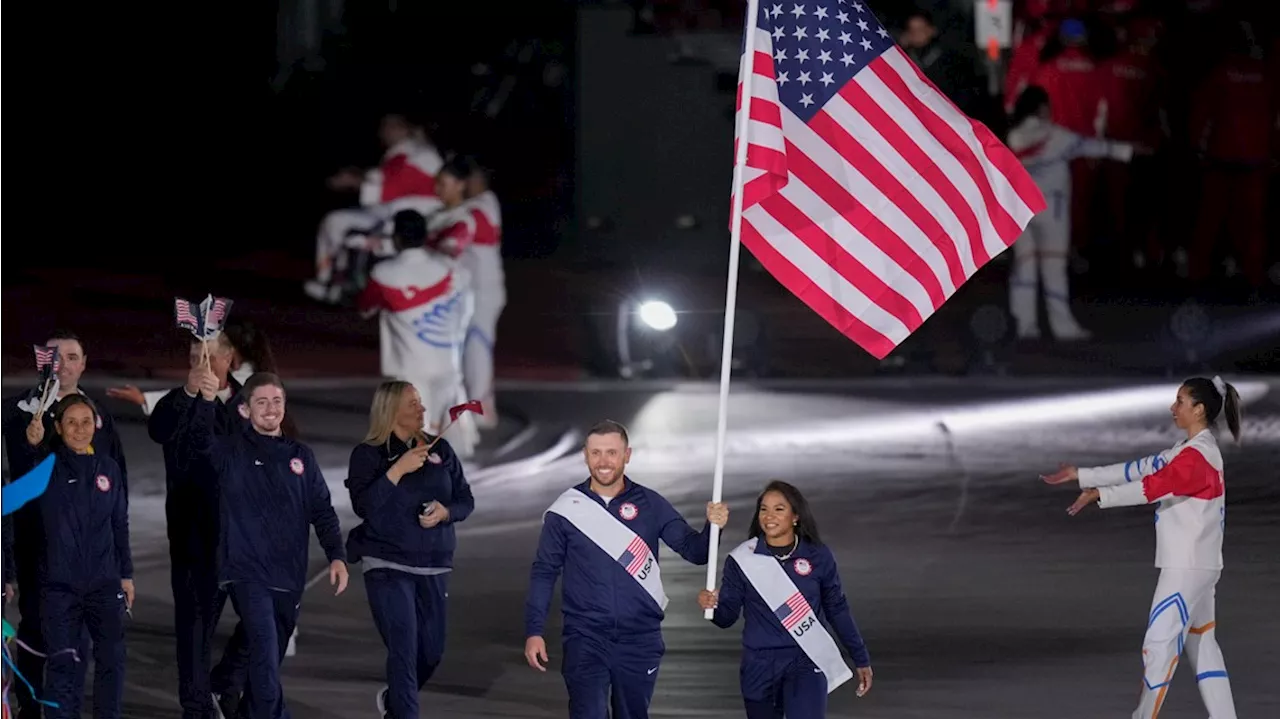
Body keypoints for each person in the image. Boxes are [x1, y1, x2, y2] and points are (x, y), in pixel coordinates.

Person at [1042, 376, 1241, 719]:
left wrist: (1101, 495)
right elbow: (1143, 468)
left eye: (1180, 401)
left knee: (1158, 646)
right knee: (1201, 643)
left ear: (1199, 409)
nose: (1172, 408)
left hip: (1186, 568)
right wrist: (1083, 475)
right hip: (1201, 566)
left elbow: (1152, 488)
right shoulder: (1189, 451)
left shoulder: (1197, 458)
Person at [523, 420, 730, 719]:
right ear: (585, 455)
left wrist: (714, 527)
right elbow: (544, 572)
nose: (603, 462)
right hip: (586, 635)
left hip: (640, 638)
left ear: (627, 455)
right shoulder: (567, 511)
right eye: (596, 453)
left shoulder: (651, 504)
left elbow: (696, 552)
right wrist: (534, 630)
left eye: (611, 453)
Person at [186, 371, 349, 719]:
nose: (270, 409)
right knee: (263, 652)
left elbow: (321, 509)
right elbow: (199, 442)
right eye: (261, 402)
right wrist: (203, 401)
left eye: (276, 401)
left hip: (289, 576)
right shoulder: (231, 451)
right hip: (246, 573)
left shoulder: (300, 457)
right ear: (245, 410)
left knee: (267, 661)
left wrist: (336, 555)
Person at [1, 330, 125, 718]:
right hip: (34, 541)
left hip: (87, 555)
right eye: (55, 358)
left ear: (83, 364)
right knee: (36, 629)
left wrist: (123, 564)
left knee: (79, 644)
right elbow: (19, 483)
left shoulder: (97, 416)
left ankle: (63, 707)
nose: (63, 365)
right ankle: (30, 706)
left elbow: (114, 482)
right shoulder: (19, 410)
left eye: (72, 358)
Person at [344, 380, 476, 719]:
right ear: (390, 411)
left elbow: (465, 500)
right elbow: (364, 507)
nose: (422, 409)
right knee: (402, 649)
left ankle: (396, 702)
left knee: (430, 653)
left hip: (433, 563)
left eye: (420, 402)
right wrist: (398, 470)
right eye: (412, 404)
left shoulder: (441, 450)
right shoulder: (367, 454)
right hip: (387, 563)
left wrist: (446, 513)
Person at [697, 481, 872, 718]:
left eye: (779, 509)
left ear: (796, 516)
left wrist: (860, 657)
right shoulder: (742, 560)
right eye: (764, 509)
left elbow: (836, 608)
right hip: (758, 665)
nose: (769, 516)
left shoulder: (817, 555)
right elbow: (726, 617)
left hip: (806, 659)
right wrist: (712, 605)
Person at [145, 337, 248, 719]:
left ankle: (226, 683)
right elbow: (158, 429)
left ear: (228, 359)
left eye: (206, 355)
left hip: (245, 537)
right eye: (192, 356)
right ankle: (196, 706)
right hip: (194, 536)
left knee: (269, 617)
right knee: (195, 629)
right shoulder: (177, 401)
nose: (199, 362)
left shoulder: (251, 401)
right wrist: (191, 394)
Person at [18, 396, 132, 719]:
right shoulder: (47, 468)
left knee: (112, 660)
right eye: (71, 422)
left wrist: (127, 573)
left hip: (104, 585)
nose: (80, 429)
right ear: (58, 427)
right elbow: (22, 485)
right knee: (63, 664)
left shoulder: (108, 468)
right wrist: (31, 445)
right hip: (60, 588)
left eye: (86, 422)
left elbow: (119, 524)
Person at [1005, 86, 1137, 341]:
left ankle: (1025, 326)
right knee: (1053, 267)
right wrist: (1130, 151)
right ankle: (1062, 327)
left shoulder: (1014, 137)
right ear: (1042, 108)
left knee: (1025, 267)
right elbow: (1093, 147)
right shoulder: (1056, 136)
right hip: (1051, 211)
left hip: (1020, 212)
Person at [358, 209, 477, 458]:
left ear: (396, 238)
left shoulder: (383, 274)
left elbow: (365, 309)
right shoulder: (454, 270)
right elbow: (467, 310)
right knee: (445, 438)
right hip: (448, 365)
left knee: (417, 443)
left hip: (409, 369)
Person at [306, 113, 444, 303]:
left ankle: (358, 286)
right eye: (384, 126)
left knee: (359, 236)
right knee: (334, 222)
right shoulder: (399, 153)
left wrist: (352, 182)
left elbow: (393, 187)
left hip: (413, 221)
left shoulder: (422, 154)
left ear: (407, 128)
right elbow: (378, 179)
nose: (384, 131)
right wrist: (355, 177)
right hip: (386, 213)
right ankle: (330, 281)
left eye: (392, 126)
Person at [424, 156, 506, 426]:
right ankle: (464, 408)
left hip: (483, 293)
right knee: (462, 352)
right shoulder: (471, 208)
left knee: (476, 351)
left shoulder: (480, 209)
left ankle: (482, 410)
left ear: (470, 181)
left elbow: (460, 229)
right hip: (467, 293)